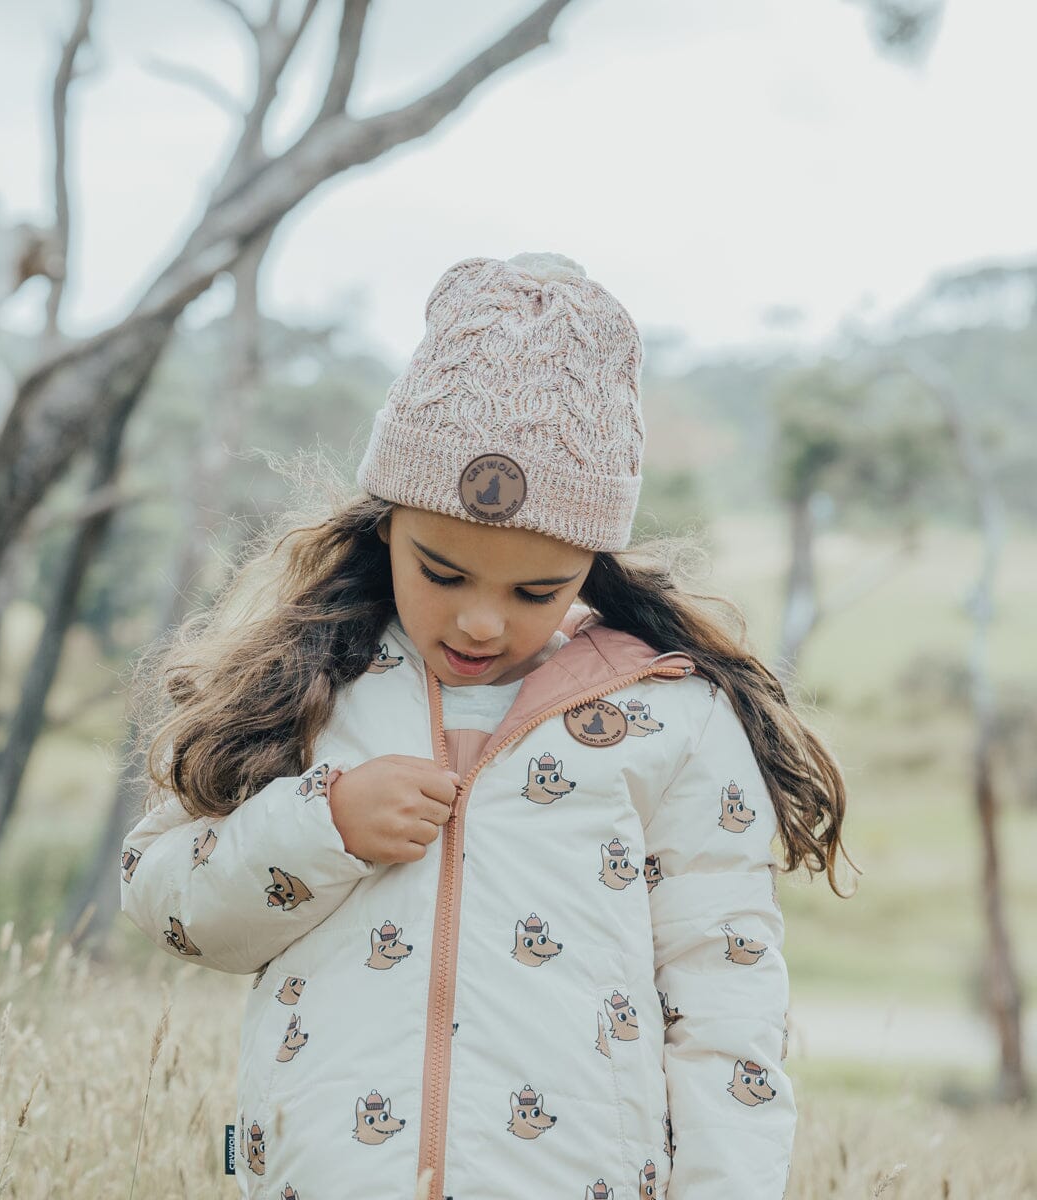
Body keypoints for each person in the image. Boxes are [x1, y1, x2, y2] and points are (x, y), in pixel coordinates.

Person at [119, 252, 853, 1199]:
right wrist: (322, 825)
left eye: (535, 590)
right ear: (386, 523)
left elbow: (727, 1003)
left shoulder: (671, 718)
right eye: (443, 571)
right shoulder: (307, 683)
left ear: (593, 562)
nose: (480, 621)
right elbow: (165, 896)